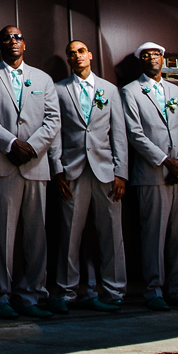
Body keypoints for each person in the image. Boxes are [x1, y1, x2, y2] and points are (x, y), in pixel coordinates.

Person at [0, 26, 61, 319]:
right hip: (1, 163)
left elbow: (52, 119)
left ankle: (32, 294)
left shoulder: (43, 79)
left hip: (35, 165)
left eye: (18, 37)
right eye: (7, 38)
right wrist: (10, 143)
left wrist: (31, 147)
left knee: (36, 235)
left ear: (25, 44)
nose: (13, 41)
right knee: (1, 234)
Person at [48, 38, 126, 312]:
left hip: (106, 171)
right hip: (72, 169)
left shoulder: (110, 90)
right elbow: (55, 132)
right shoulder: (58, 90)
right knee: (69, 234)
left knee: (111, 234)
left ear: (90, 55)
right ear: (68, 60)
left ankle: (113, 291)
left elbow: (119, 134)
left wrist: (122, 173)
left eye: (81, 51)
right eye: (71, 54)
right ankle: (66, 293)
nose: (77, 56)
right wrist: (57, 170)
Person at [121, 41, 178, 311]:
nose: (152, 58)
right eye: (147, 55)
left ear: (163, 59)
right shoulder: (131, 91)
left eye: (156, 54)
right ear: (140, 61)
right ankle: (153, 291)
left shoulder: (175, 90)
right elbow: (134, 133)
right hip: (153, 173)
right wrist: (165, 162)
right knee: (153, 236)